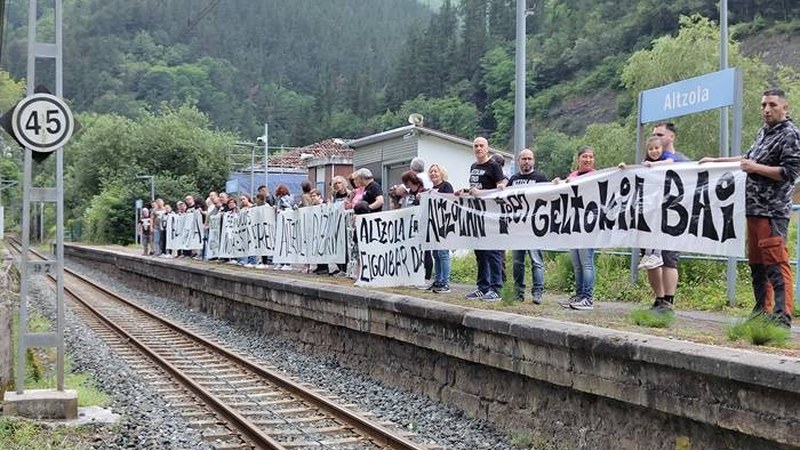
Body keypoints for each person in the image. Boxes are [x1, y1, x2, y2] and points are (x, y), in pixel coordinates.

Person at [700, 88, 800, 328]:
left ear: (784, 108)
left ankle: (782, 316)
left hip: (772, 211)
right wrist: (717, 161)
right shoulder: (764, 132)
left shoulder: (791, 135)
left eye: (772, 105)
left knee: (776, 262)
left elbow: (790, 173)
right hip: (753, 209)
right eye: (764, 105)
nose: (766, 109)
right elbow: (748, 158)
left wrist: (756, 168)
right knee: (757, 264)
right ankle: (761, 311)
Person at [646, 122, 690, 311]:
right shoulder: (650, 160)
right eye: (654, 134)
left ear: (671, 137)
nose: (657, 137)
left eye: (660, 134)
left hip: (673, 216)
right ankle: (659, 299)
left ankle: (668, 301)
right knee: (651, 259)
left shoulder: (682, 161)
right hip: (651, 217)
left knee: (669, 259)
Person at [457, 137, 507, 301]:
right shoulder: (473, 166)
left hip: (491, 215)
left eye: (481, 146)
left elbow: (501, 187)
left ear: (487, 148)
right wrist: (464, 191)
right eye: (476, 146)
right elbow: (476, 188)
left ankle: (496, 288)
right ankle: (482, 286)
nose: (478, 148)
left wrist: (485, 192)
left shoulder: (494, 165)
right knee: (480, 253)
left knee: (493, 252)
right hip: (476, 215)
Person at [555, 145, 597, 310]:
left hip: (589, 224)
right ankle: (579, 295)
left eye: (590, 157)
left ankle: (588, 297)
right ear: (578, 158)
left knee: (587, 261)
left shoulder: (596, 176)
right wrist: (557, 184)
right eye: (584, 157)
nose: (587, 160)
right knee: (577, 263)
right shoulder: (572, 176)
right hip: (573, 224)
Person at [508, 149, 548, 304]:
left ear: (534, 161)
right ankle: (518, 292)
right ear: (519, 161)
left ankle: (537, 292)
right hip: (518, 228)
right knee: (518, 262)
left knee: (536, 262)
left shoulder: (540, 177)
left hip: (535, 227)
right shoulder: (514, 179)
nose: (526, 161)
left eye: (529, 158)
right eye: (523, 158)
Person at [428, 163, 454, 293]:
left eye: (435, 171)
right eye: (431, 172)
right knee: (436, 254)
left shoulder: (446, 186)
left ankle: (445, 281)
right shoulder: (431, 189)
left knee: (443, 253)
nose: (433, 174)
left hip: (444, 224)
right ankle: (438, 280)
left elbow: (449, 202)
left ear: (441, 173)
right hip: (434, 224)